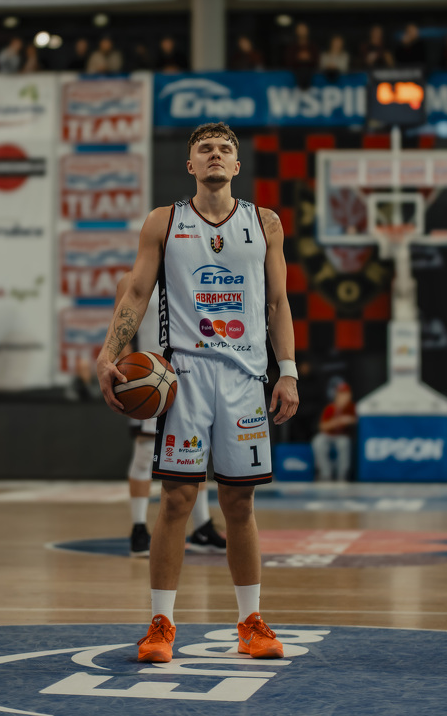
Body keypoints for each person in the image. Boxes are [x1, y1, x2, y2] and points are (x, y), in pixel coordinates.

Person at [97, 121, 298, 662]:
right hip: (183, 376)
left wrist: (288, 371)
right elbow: (136, 291)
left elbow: (277, 303)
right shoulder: (164, 221)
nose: (215, 155)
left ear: (236, 165)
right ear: (190, 165)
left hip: (244, 378)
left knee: (239, 502)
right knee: (177, 499)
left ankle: (250, 622)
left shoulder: (265, 223)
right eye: (204, 149)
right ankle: (161, 624)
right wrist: (109, 353)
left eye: (224, 149)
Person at [113, 274, 226, 558]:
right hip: (149, 377)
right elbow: (121, 331)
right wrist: (127, 374)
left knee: (195, 451)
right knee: (144, 452)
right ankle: (139, 528)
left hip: (189, 374)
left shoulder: (189, 273)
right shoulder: (130, 280)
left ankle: (202, 527)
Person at [312, 381, 357, 481]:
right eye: (341, 394)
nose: (343, 397)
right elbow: (322, 427)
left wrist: (348, 419)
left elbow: (355, 420)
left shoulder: (352, 407)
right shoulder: (330, 408)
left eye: (345, 394)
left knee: (343, 443)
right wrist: (337, 421)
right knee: (318, 441)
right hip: (328, 435)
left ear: (349, 395)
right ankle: (325, 474)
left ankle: (342, 475)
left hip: (342, 436)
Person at [285, 22, 319, 89]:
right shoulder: (292, 47)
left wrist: (308, 59)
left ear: (307, 31)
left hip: (310, 72)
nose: (302, 32)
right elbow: (288, 62)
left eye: (304, 29)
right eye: (300, 29)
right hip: (295, 73)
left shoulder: (313, 47)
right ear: (296, 31)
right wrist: (299, 58)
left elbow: (317, 62)